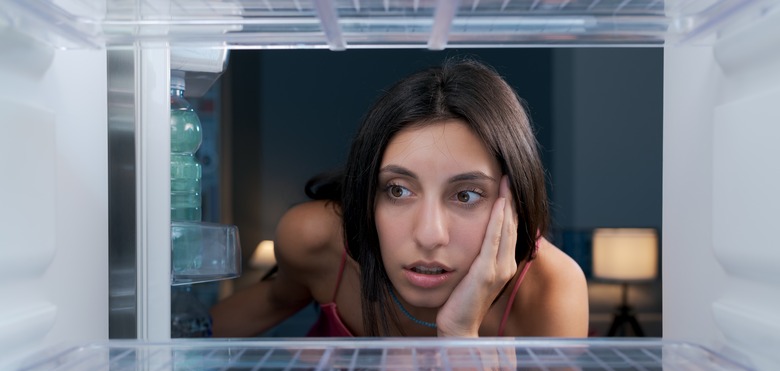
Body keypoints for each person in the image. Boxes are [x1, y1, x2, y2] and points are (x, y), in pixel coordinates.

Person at [210, 58, 588, 338]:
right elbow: (269, 304)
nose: (428, 234)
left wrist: (460, 335)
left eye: (467, 195)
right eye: (398, 190)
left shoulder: (549, 289)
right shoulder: (317, 239)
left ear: (514, 200)